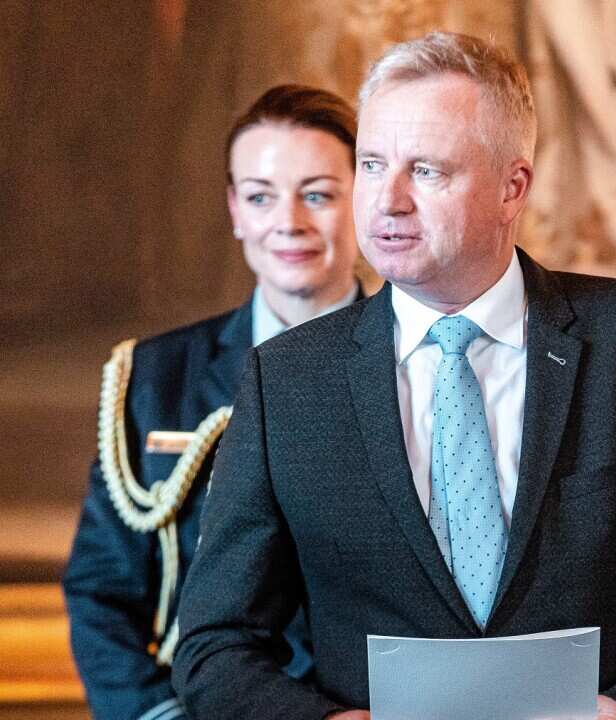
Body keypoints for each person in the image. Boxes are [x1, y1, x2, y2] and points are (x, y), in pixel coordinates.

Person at [172, 33, 616, 720]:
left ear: (512, 187)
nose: (388, 201)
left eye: (428, 172)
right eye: (373, 164)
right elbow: (215, 645)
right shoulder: (286, 381)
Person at [62, 84, 365, 720]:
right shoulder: (153, 376)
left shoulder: (420, 365)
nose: (290, 222)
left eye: (318, 194)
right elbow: (102, 590)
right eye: (261, 196)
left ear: (362, 200)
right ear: (234, 209)